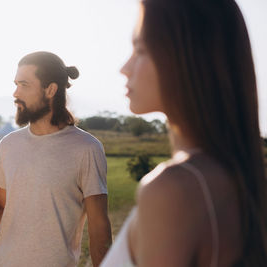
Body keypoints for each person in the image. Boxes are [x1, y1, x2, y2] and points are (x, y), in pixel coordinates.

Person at [101, 0, 267, 266]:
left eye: (140, 49)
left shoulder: (172, 189)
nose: (125, 67)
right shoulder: (233, 176)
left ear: (186, 56)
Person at [0, 51, 112, 267]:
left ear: (50, 90)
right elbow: (1, 209)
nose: (15, 93)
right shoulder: (8, 145)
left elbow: (100, 230)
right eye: (15, 84)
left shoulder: (87, 148)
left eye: (24, 85)